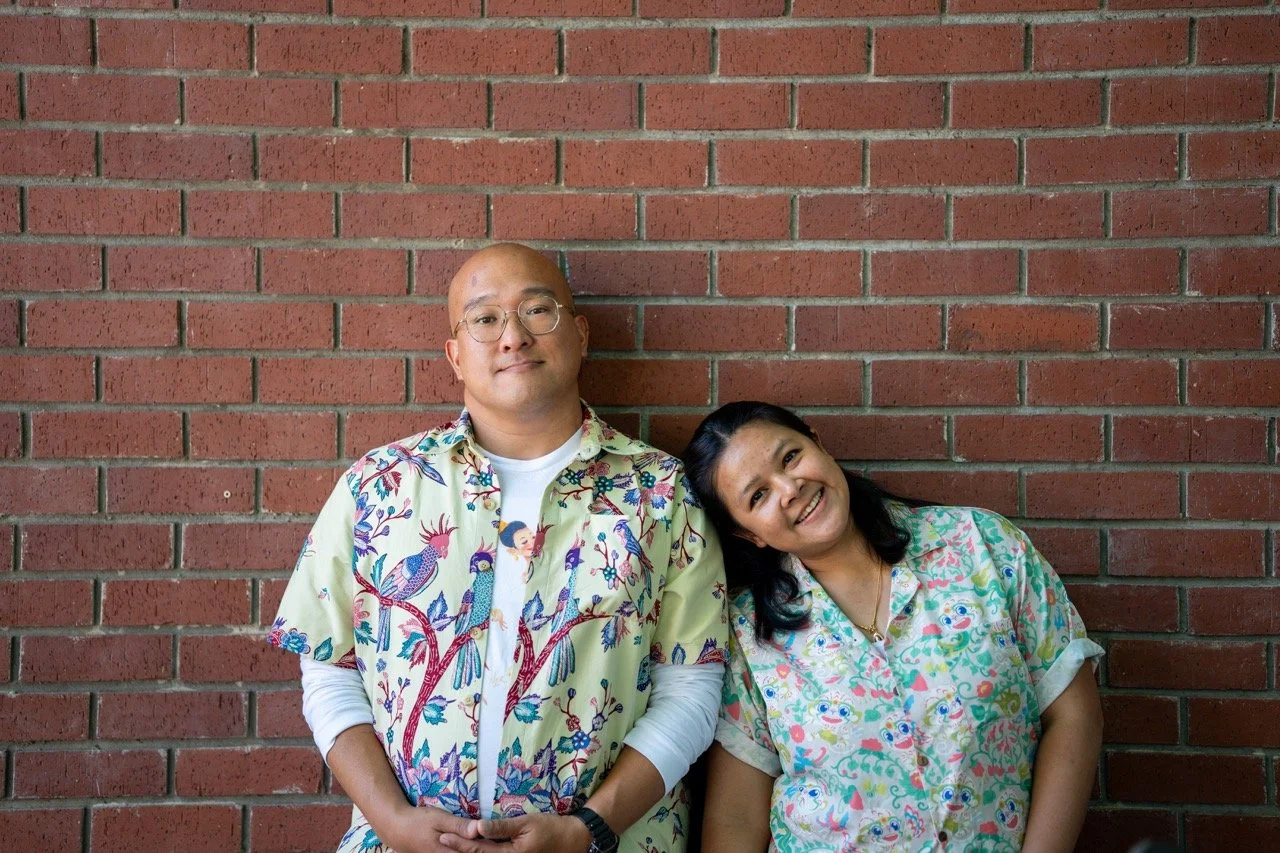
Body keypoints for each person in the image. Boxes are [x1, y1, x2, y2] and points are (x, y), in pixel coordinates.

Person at [267, 243, 728, 853]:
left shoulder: (662, 494)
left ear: (580, 334)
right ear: (455, 356)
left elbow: (692, 690)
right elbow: (328, 672)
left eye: (538, 311)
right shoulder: (378, 486)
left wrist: (586, 829)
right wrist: (393, 823)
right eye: (485, 319)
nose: (512, 337)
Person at [682, 401, 1104, 853]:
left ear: (818, 443)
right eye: (758, 496)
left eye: (790, 457)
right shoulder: (751, 635)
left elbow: (1074, 716)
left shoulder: (979, 545)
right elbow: (736, 816)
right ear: (750, 534)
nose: (790, 488)